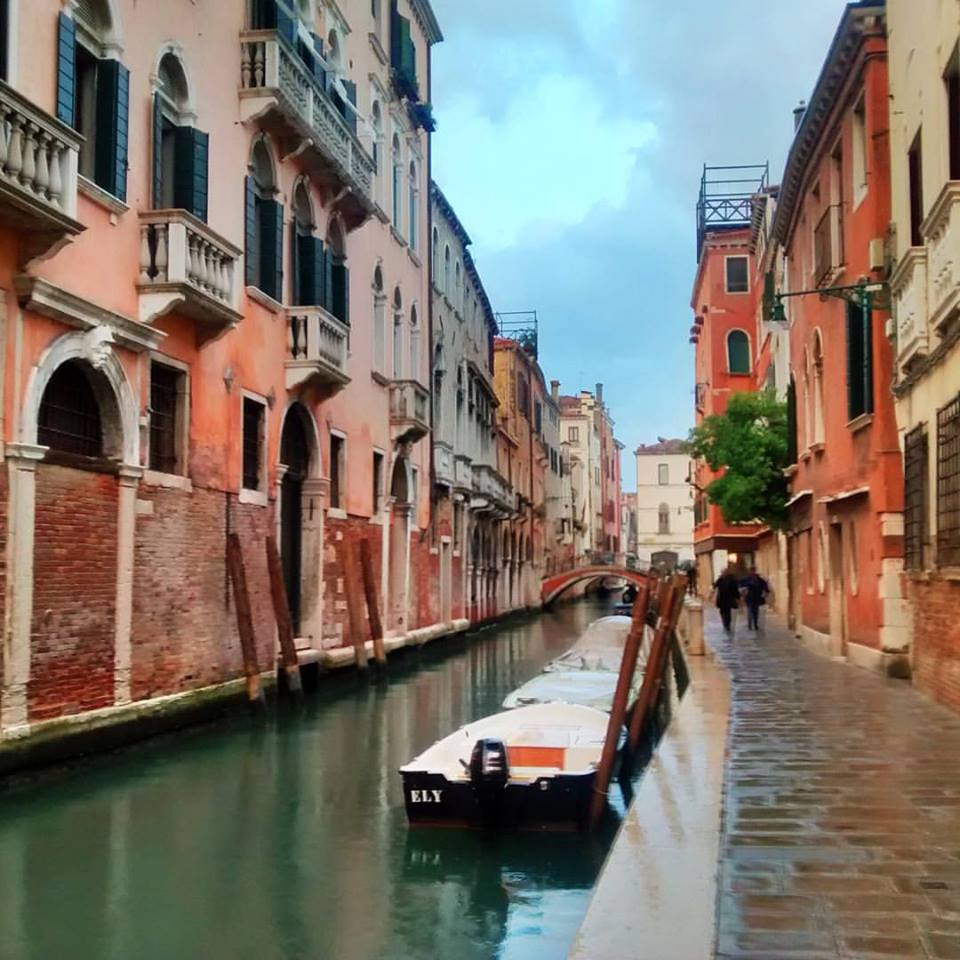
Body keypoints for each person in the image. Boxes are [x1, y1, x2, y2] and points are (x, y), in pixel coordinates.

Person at [712, 564, 742, 635]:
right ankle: (725, 625)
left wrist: (738, 598)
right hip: (722, 600)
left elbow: (735, 590)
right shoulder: (720, 580)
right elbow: (714, 586)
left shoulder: (732, 580)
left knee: (728, 613)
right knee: (723, 612)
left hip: (729, 600)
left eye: (724, 572)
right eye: (723, 572)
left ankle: (727, 625)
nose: (723, 573)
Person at [743, 567, 770, 632]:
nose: (752, 572)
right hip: (749, 598)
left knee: (755, 612)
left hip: (756, 598)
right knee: (750, 612)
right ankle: (750, 625)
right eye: (751, 571)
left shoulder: (759, 579)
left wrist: (765, 593)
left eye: (753, 571)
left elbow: (765, 586)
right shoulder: (747, 579)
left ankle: (755, 624)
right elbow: (742, 585)